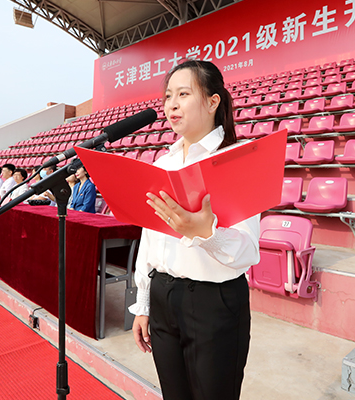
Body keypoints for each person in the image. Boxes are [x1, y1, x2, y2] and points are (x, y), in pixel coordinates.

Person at [129, 60, 260, 400]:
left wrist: (206, 232)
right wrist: (144, 303)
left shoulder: (237, 160)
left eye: (183, 94)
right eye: (168, 95)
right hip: (163, 297)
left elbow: (248, 252)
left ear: (213, 101)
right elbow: (149, 238)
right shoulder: (163, 164)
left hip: (212, 305)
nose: (171, 104)